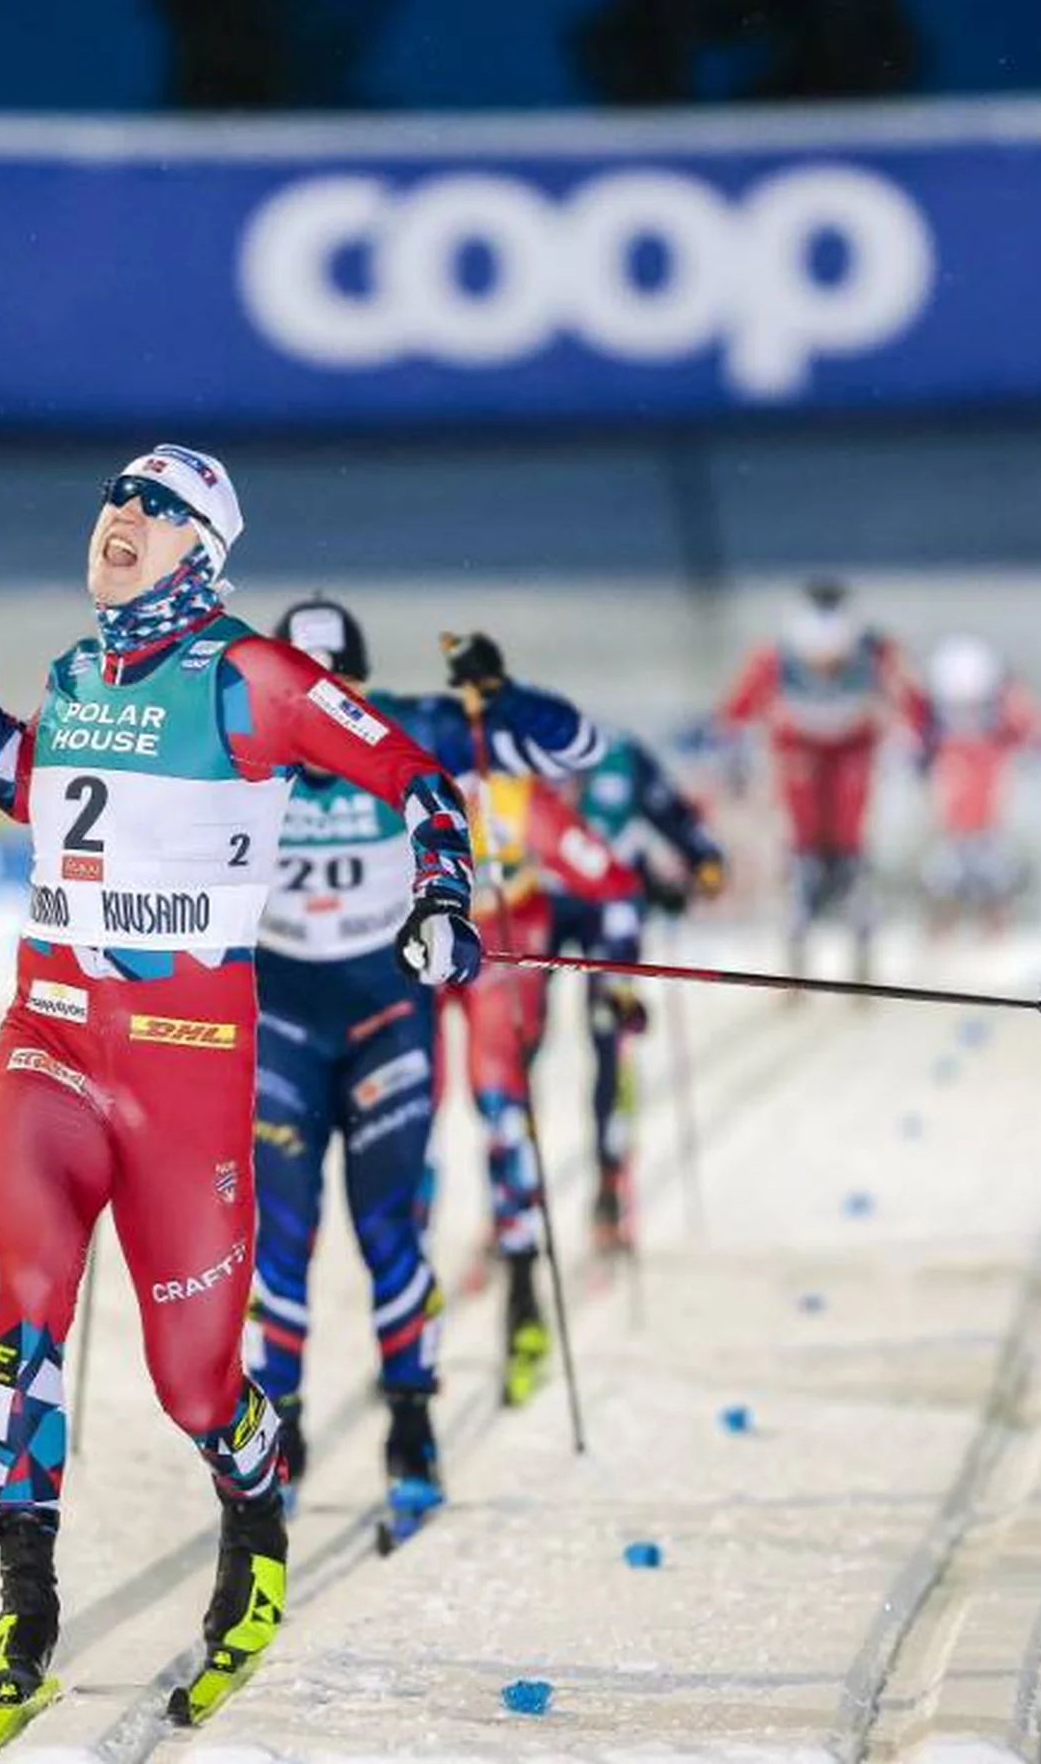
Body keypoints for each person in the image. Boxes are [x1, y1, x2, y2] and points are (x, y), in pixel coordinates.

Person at [0, 446, 485, 1752]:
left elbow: (420, 786)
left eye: (155, 507)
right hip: (47, 1043)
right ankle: (23, 1618)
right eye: (114, 497)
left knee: (195, 1384)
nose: (119, 518)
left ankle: (254, 1537)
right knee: (23, 1308)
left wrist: (441, 901)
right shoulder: (77, 672)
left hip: (185, 1068)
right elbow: (31, 790)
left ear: (203, 546)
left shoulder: (254, 678)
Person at [248, 599, 601, 1537]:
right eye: (302, 688)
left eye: (339, 689)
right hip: (277, 1020)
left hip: (384, 1018)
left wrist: (501, 696)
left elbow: (576, 751)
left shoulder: (417, 729)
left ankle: (412, 1427)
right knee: (278, 1243)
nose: (321, 708)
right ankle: (278, 1435)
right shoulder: (232, 736)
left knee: (388, 1233)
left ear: (362, 686)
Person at [436, 708, 635, 1404]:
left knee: (499, 1104)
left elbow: (608, 879)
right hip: (425, 957)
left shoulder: (520, 799)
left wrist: (618, 961)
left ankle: (523, 1296)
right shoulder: (404, 782)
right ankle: (417, 1293)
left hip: (503, 950)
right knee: (415, 1112)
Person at [545, 731, 726, 1251]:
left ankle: (610, 1182)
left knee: (612, 1038)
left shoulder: (623, 760)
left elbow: (677, 819)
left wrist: (704, 864)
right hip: (544, 904)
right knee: (521, 1041)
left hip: (611, 907)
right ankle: (510, 1195)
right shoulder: (517, 753)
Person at [716, 580, 927, 984]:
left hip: (853, 750)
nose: (825, 671)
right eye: (816, 663)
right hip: (798, 750)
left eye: (835, 663)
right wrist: (733, 756)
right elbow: (735, 710)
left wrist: (912, 742)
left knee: (849, 839)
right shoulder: (774, 657)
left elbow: (912, 700)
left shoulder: (876, 652)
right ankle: (799, 926)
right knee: (804, 841)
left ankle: (857, 918)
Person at [918, 636, 1041, 940]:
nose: (965, 715)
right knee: (941, 880)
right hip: (949, 829)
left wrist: (1019, 697)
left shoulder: (1002, 728)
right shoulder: (935, 735)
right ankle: (941, 942)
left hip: (991, 827)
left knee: (996, 881)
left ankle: (995, 939)